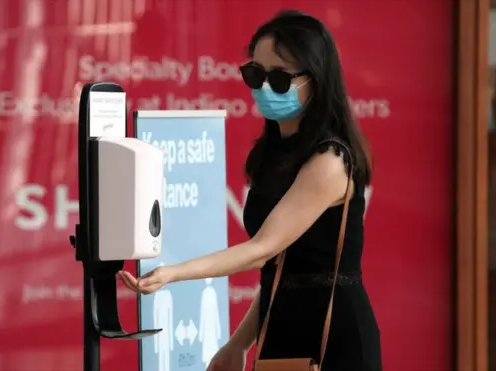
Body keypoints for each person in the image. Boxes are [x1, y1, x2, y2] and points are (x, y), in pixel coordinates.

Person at [117, 10, 382, 371]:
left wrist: (172, 273)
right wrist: (238, 344)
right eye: (255, 74)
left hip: (334, 337)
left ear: (316, 80)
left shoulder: (331, 161)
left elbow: (261, 251)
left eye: (279, 78)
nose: (264, 88)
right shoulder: (274, 154)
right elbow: (281, 271)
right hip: (281, 329)